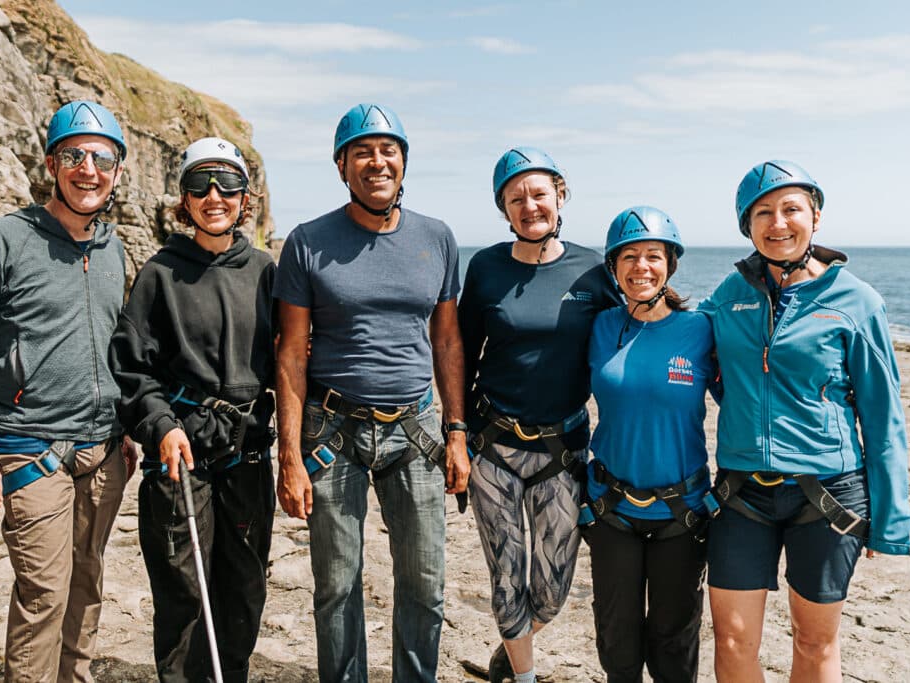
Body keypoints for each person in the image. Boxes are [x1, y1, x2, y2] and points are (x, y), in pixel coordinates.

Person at [0, 100, 137, 682]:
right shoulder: (1, 239)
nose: (88, 169)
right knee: (44, 596)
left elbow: (114, 347)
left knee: (87, 587)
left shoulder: (112, 248)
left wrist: (126, 427)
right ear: (52, 164)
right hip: (30, 449)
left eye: (102, 158)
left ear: (118, 171)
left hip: (104, 451)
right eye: (73, 155)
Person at [274, 103, 470, 683]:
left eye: (389, 150)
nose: (377, 161)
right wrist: (289, 456)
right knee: (336, 587)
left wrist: (457, 432)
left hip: (416, 429)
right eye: (362, 151)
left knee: (426, 585)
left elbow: (449, 342)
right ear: (341, 165)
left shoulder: (437, 238)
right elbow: (289, 354)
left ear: (404, 162)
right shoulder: (308, 242)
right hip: (333, 430)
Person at [700, 160, 910, 682]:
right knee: (730, 640)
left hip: (830, 495)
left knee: (815, 642)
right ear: (747, 226)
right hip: (741, 492)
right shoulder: (728, 297)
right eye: (763, 213)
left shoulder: (856, 301)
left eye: (791, 209)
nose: (778, 224)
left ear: (815, 217)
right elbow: (688, 349)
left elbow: (884, 417)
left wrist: (892, 522)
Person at [109, 136, 277, 682]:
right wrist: (160, 425)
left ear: (244, 197)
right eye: (199, 185)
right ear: (183, 200)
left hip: (248, 457)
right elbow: (131, 368)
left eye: (227, 184)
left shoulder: (266, 272)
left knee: (245, 589)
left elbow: (291, 362)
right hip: (179, 455)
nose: (214, 195)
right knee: (184, 592)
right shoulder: (159, 275)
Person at [457, 147, 617, 683]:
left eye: (539, 194)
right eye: (516, 198)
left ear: (561, 195)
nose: (530, 206)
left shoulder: (595, 269)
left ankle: (512, 645)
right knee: (506, 576)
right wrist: (455, 434)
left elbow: (633, 332)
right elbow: (460, 355)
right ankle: (523, 677)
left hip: (563, 449)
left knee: (551, 590)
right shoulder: (484, 268)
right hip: (493, 447)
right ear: (504, 209)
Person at [584, 206, 714, 683]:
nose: (642, 266)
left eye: (653, 256)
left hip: (682, 513)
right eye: (630, 256)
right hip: (611, 510)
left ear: (670, 264)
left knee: (674, 643)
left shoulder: (700, 329)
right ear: (614, 267)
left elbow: (745, 400)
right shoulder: (598, 327)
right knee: (616, 641)